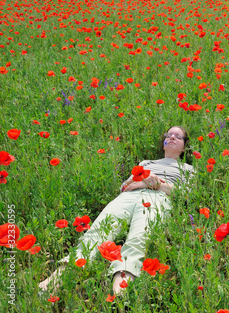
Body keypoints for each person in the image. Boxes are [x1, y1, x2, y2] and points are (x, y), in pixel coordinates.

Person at [38, 126, 194, 295]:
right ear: (163, 145)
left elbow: (185, 193)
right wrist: (141, 182)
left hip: (158, 199)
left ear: (184, 147)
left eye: (177, 136)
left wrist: (151, 183)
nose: (172, 137)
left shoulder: (188, 169)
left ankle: (119, 294)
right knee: (96, 233)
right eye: (169, 135)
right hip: (128, 198)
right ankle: (54, 282)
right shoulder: (146, 163)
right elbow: (125, 186)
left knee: (138, 240)